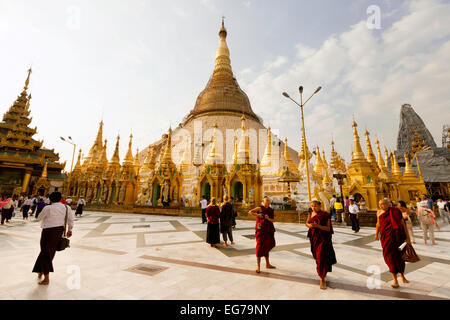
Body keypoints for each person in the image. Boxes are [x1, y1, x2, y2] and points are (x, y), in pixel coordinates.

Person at [32, 192, 74, 285]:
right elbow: (70, 220)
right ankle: (40, 270)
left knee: (46, 252)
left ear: (50, 199)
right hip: (59, 231)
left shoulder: (48, 208)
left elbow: (39, 218)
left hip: (48, 232)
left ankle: (46, 277)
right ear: (60, 199)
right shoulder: (67, 208)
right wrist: (70, 229)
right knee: (49, 252)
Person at [374, 198, 411, 288]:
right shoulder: (379, 212)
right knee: (390, 257)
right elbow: (378, 224)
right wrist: (376, 234)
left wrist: (408, 237)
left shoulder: (395, 211)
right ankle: (395, 280)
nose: (380, 206)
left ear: (388, 204)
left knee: (400, 257)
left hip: (398, 237)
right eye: (379, 204)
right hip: (386, 238)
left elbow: (403, 223)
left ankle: (402, 276)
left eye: (382, 204)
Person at [306, 200, 337, 290]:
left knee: (321, 257)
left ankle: (322, 278)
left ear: (320, 206)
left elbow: (328, 228)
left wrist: (317, 226)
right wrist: (310, 226)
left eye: (315, 206)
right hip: (314, 238)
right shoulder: (310, 213)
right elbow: (307, 223)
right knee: (317, 256)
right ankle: (322, 272)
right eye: (312, 206)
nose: (313, 208)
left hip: (323, 239)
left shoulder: (325, 214)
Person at [248, 196, 276, 273]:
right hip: (260, 229)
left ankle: (267, 264)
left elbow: (273, 220)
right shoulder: (260, 208)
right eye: (266, 200)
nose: (267, 201)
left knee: (267, 245)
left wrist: (268, 218)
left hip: (268, 229)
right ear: (263, 201)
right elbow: (250, 212)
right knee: (259, 246)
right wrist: (258, 215)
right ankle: (258, 266)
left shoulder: (271, 210)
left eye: (268, 200)